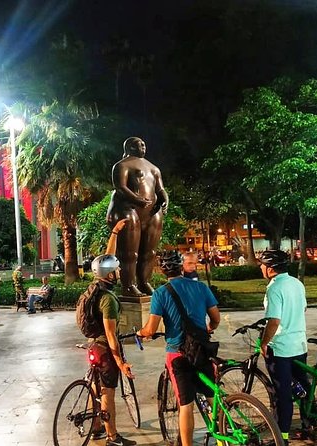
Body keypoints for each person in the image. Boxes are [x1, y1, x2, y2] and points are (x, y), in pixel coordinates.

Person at [136, 250, 220, 446]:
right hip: (202, 350)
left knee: (186, 406)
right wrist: (208, 328)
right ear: (181, 267)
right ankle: (223, 435)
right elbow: (215, 318)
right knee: (212, 397)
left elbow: (151, 329)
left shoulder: (161, 293)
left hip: (178, 354)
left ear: (161, 270)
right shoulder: (201, 287)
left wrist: (141, 333)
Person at [82, 218, 135, 446]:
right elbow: (112, 336)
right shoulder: (109, 301)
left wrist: (114, 233)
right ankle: (112, 437)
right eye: (117, 270)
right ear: (110, 274)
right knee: (107, 394)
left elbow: (105, 259)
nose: (119, 270)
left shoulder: (95, 286)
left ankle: (96, 427)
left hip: (94, 345)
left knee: (96, 388)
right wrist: (121, 362)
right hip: (105, 349)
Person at [258, 250, 310, 445]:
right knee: (303, 387)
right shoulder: (297, 283)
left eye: (262, 265)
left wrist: (264, 342)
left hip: (281, 348)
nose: (261, 268)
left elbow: (274, 320)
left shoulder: (274, 288)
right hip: (299, 343)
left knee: (283, 394)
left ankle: (283, 437)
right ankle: (308, 426)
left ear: (270, 269)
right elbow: (302, 308)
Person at [106, 137, 169, 297]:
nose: (143, 146)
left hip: (151, 212)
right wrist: (137, 199)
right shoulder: (122, 165)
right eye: (138, 144)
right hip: (128, 209)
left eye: (144, 144)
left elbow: (160, 189)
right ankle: (128, 285)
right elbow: (120, 187)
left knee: (149, 252)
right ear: (129, 147)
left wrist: (164, 199)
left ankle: (144, 282)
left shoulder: (153, 168)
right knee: (129, 253)